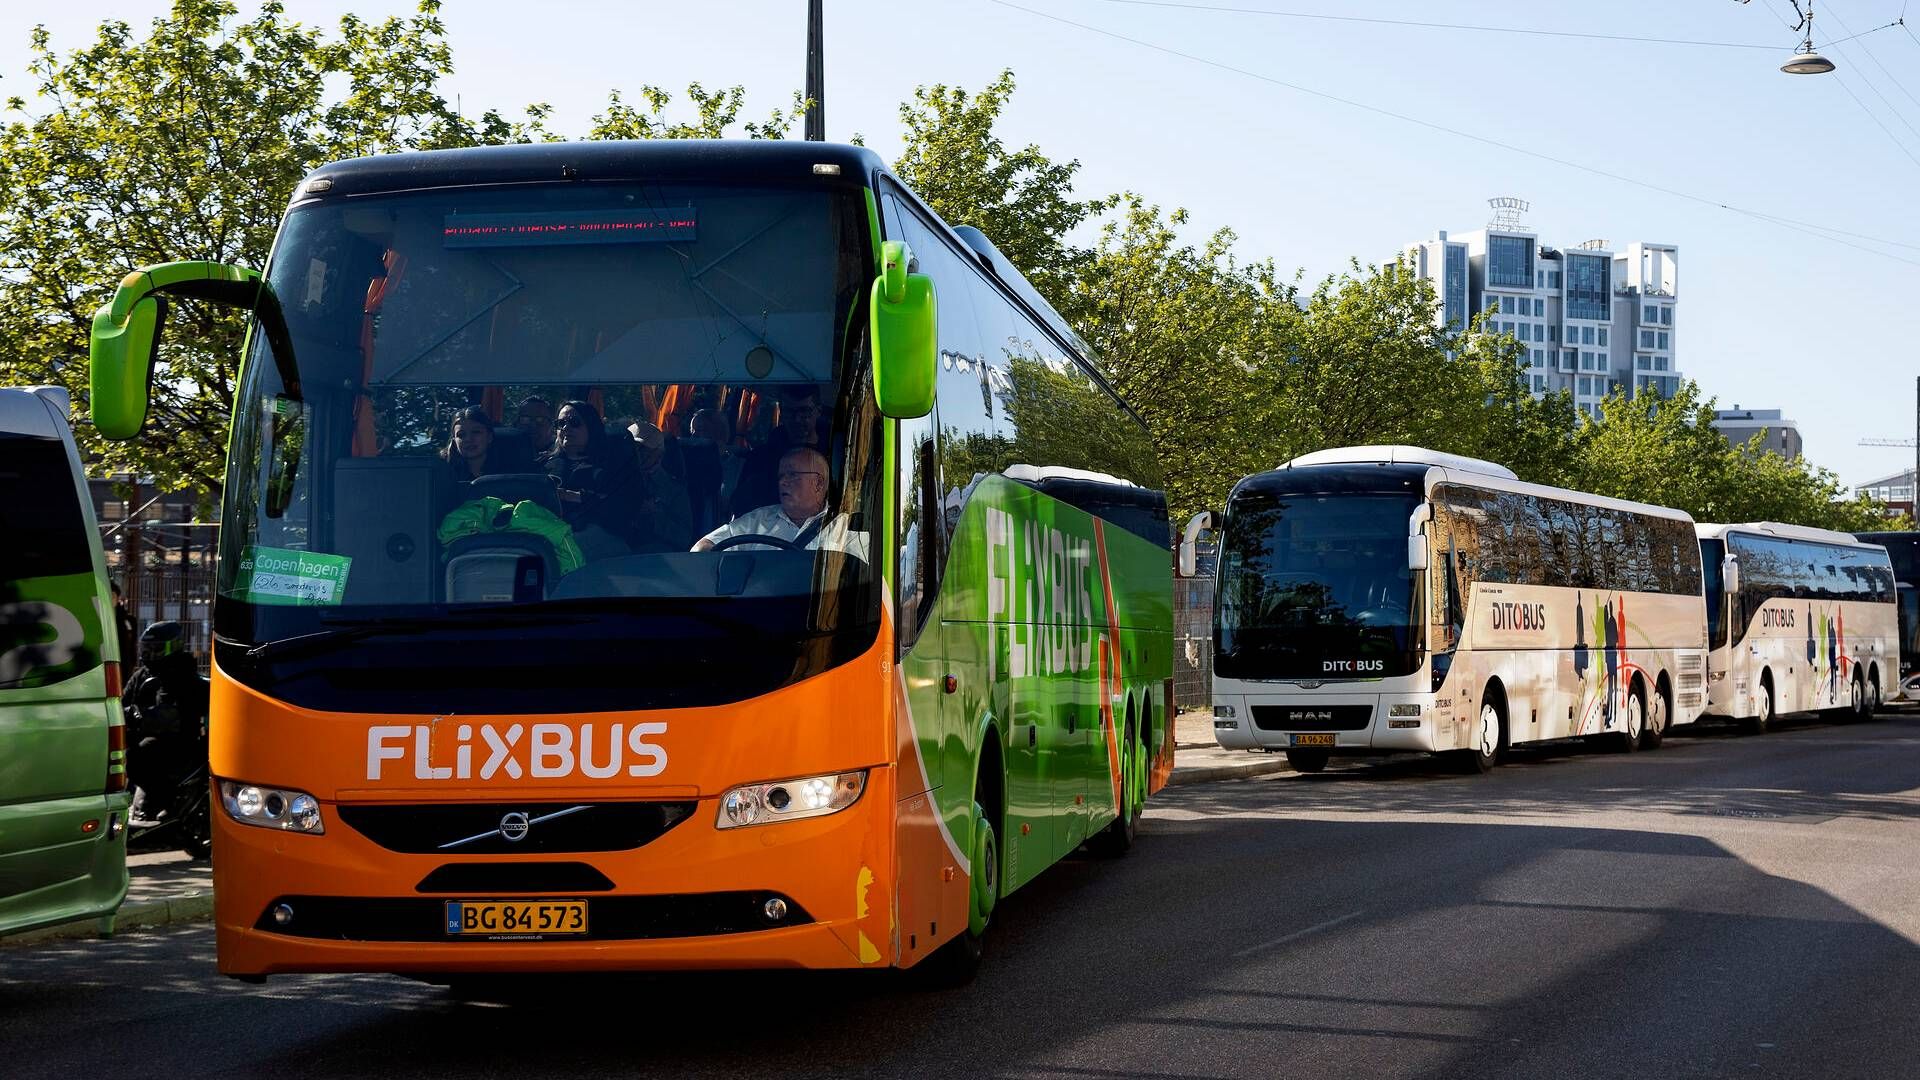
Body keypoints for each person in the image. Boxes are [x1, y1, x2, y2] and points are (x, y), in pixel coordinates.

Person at [695, 446, 866, 561]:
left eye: (792, 475)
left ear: (819, 483)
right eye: (781, 476)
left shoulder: (847, 528)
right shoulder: (756, 521)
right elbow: (703, 546)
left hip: (822, 613)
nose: (783, 482)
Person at [123, 621, 209, 827]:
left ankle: (165, 802)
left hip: (179, 741)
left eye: (155, 649)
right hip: (146, 734)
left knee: (139, 754)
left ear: (173, 646)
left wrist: (139, 717)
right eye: (146, 649)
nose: (149, 654)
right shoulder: (142, 674)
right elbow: (123, 703)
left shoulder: (181, 674)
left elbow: (169, 715)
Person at [543, 400, 641, 560]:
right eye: (560, 423)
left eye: (574, 422)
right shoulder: (544, 464)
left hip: (598, 533)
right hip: (547, 529)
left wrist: (571, 496)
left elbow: (623, 506)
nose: (565, 428)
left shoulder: (611, 466)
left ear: (591, 426)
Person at [730, 386, 825, 518]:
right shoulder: (761, 459)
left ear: (818, 411)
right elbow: (741, 507)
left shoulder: (837, 457)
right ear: (781, 412)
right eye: (790, 412)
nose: (797, 419)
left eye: (805, 411)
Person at [625, 420, 694, 552]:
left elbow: (683, 537)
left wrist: (654, 515)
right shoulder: (613, 479)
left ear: (659, 453)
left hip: (652, 553)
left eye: (644, 449)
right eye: (632, 447)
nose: (637, 453)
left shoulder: (673, 489)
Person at [441, 406, 528, 481]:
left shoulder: (509, 473)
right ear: (454, 441)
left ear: (489, 437)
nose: (468, 439)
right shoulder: (443, 474)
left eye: (476, 432)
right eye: (461, 435)